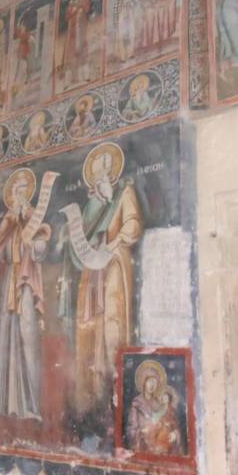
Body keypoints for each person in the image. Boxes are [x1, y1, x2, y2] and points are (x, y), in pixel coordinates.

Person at [58, 143, 143, 416]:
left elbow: (133, 224)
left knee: (112, 322)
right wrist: (70, 236)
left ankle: (115, 390)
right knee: (90, 327)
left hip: (114, 264)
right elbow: (81, 243)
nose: (101, 174)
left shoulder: (124, 193)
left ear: (112, 171)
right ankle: (93, 396)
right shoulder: (92, 204)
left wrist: (114, 241)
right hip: (92, 271)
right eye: (97, 171)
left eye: (105, 168)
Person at [0, 169, 50, 420]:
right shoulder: (7, 224)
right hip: (10, 283)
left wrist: (32, 240)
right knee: (7, 338)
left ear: (28, 195)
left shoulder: (33, 222)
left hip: (26, 283)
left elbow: (41, 249)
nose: (19, 196)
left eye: (23, 191)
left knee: (27, 337)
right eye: (16, 192)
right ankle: (7, 403)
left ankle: (32, 406)